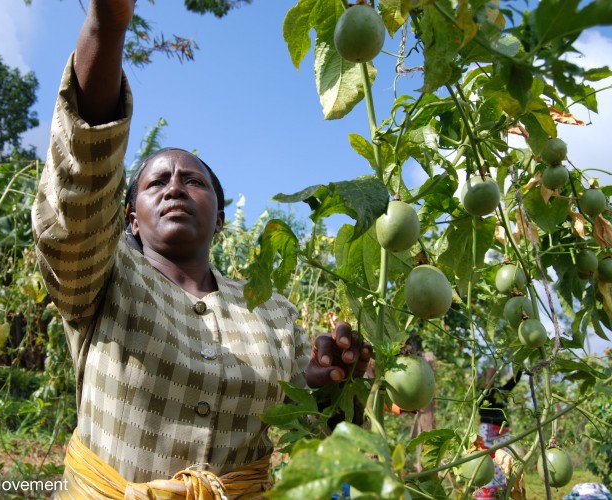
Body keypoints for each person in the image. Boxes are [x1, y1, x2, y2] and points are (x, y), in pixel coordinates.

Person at [31, 1, 371, 497]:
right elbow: (81, 184)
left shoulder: (271, 311)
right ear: (129, 217)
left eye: (193, 181)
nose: (174, 187)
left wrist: (330, 379)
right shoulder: (103, 276)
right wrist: (106, 25)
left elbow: (322, 418)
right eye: (155, 183)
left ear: (221, 217)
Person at [474, 368, 523, 500]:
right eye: (488, 375)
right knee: (486, 463)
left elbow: (514, 381)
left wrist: (520, 365)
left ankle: (500, 494)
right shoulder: (481, 394)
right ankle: (485, 496)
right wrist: (488, 380)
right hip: (488, 432)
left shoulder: (502, 392)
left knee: (502, 463)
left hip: (501, 433)